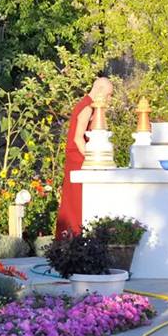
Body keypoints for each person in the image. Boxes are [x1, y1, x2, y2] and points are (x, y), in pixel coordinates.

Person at [55, 77, 113, 238]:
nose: (109, 99)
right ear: (99, 90)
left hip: (79, 158)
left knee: (77, 201)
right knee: (76, 202)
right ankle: (73, 238)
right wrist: (90, 158)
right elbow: (78, 138)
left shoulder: (91, 107)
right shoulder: (86, 107)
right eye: (109, 95)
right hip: (78, 159)